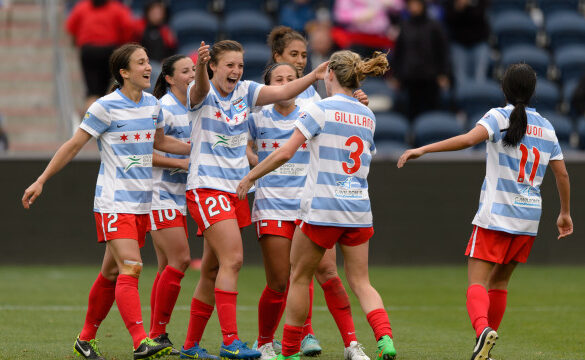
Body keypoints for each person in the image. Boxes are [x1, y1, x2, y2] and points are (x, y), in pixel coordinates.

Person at [21, 43, 191, 360]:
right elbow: (73, 145)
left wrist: (195, 150)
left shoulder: (153, 105)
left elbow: (160, 142)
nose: (147, 67)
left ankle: (85, 340)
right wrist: (41, 179)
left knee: (112, 274)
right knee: (132, 266)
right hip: (114, 203)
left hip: (142, 203)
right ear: (123, 72)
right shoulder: (105, 107)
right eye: (140, 63)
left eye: (147, 61)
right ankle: (141, 340)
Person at [397, 63, 573, 360]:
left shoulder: (498, 116)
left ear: (504, 88)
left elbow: (467, 140)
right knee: (500, 283)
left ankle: (482, 332)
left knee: (477, 282)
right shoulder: (547, 126)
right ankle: (485, 351)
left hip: (496, 215)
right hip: (529, 218)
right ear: (532, 92)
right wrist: (565, 213)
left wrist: (423, 149)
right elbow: (563, 175)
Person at [237, 50, 396, 360]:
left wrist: (250, 177)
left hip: (322, 209)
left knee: (298, 277)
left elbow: (284, 153)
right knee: (361, 281)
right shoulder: (369, 115)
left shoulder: (319, 110)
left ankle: (291, 352)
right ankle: (385, 338)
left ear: (329, 76)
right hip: (359, 209)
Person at [180, 40, 328, 360]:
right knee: (233, 259)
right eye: (229, 65)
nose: (236, 71)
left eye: (240, 65)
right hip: (207, 187)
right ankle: (230, 341)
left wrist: (315, 75)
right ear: (213, 66)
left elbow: (284, 93)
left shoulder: (246, 91)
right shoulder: (199, 89)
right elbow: (200, 89)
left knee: (211, 268)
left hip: (236, 191)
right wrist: (203, 71)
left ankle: (190, 346)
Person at [257, 25, 370, 358]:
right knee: (282, 280)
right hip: (274, 203)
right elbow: (243, 145)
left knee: (326, 274)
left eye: (304, 56)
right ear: (276, 58)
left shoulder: (313, 98)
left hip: (310, 202)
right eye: (293, 55)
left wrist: (356, 100)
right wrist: (255, 167)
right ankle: (267, 342)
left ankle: (347, 342)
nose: (301, 62)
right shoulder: (259, 107)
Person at [147, 54, 197, 356]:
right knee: (180, 260)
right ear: (169, 78)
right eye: (185, 71)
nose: (192, 75)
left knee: (166, 266)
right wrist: (185, 162)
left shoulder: (196, 107)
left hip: (180, 195)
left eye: (194, 69)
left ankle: (156, 335)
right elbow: (145, 153)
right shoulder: (162, 108)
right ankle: (156, 333)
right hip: (159, 192)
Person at [66, 0, 135, 112]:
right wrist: (122, 44)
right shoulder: (116, 8)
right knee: (109, 90)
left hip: (88, 51)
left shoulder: (82, 7)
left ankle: (90, 123)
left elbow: (70, 26)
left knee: (93, 92)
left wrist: (77, 40)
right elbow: (128, 26)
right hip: (110, 50)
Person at [390, 0, 450, 120]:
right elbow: (399, 52)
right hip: (410, 78)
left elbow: (442, 51)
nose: (414, 7)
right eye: (411, 5)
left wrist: (443, 73)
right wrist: (396, 75)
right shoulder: (404, 26)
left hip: (430, 77)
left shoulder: (434, 26)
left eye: (416, 4)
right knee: (411, 112)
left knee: (431, 112)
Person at [444, 0, 490, 87]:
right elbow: (449, 19)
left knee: (480, 78)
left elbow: (480, 14)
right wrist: (458, 8)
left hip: (479, 42)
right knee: (460, 79)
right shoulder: (450, 3)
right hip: (458, 44)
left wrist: (468, 5)